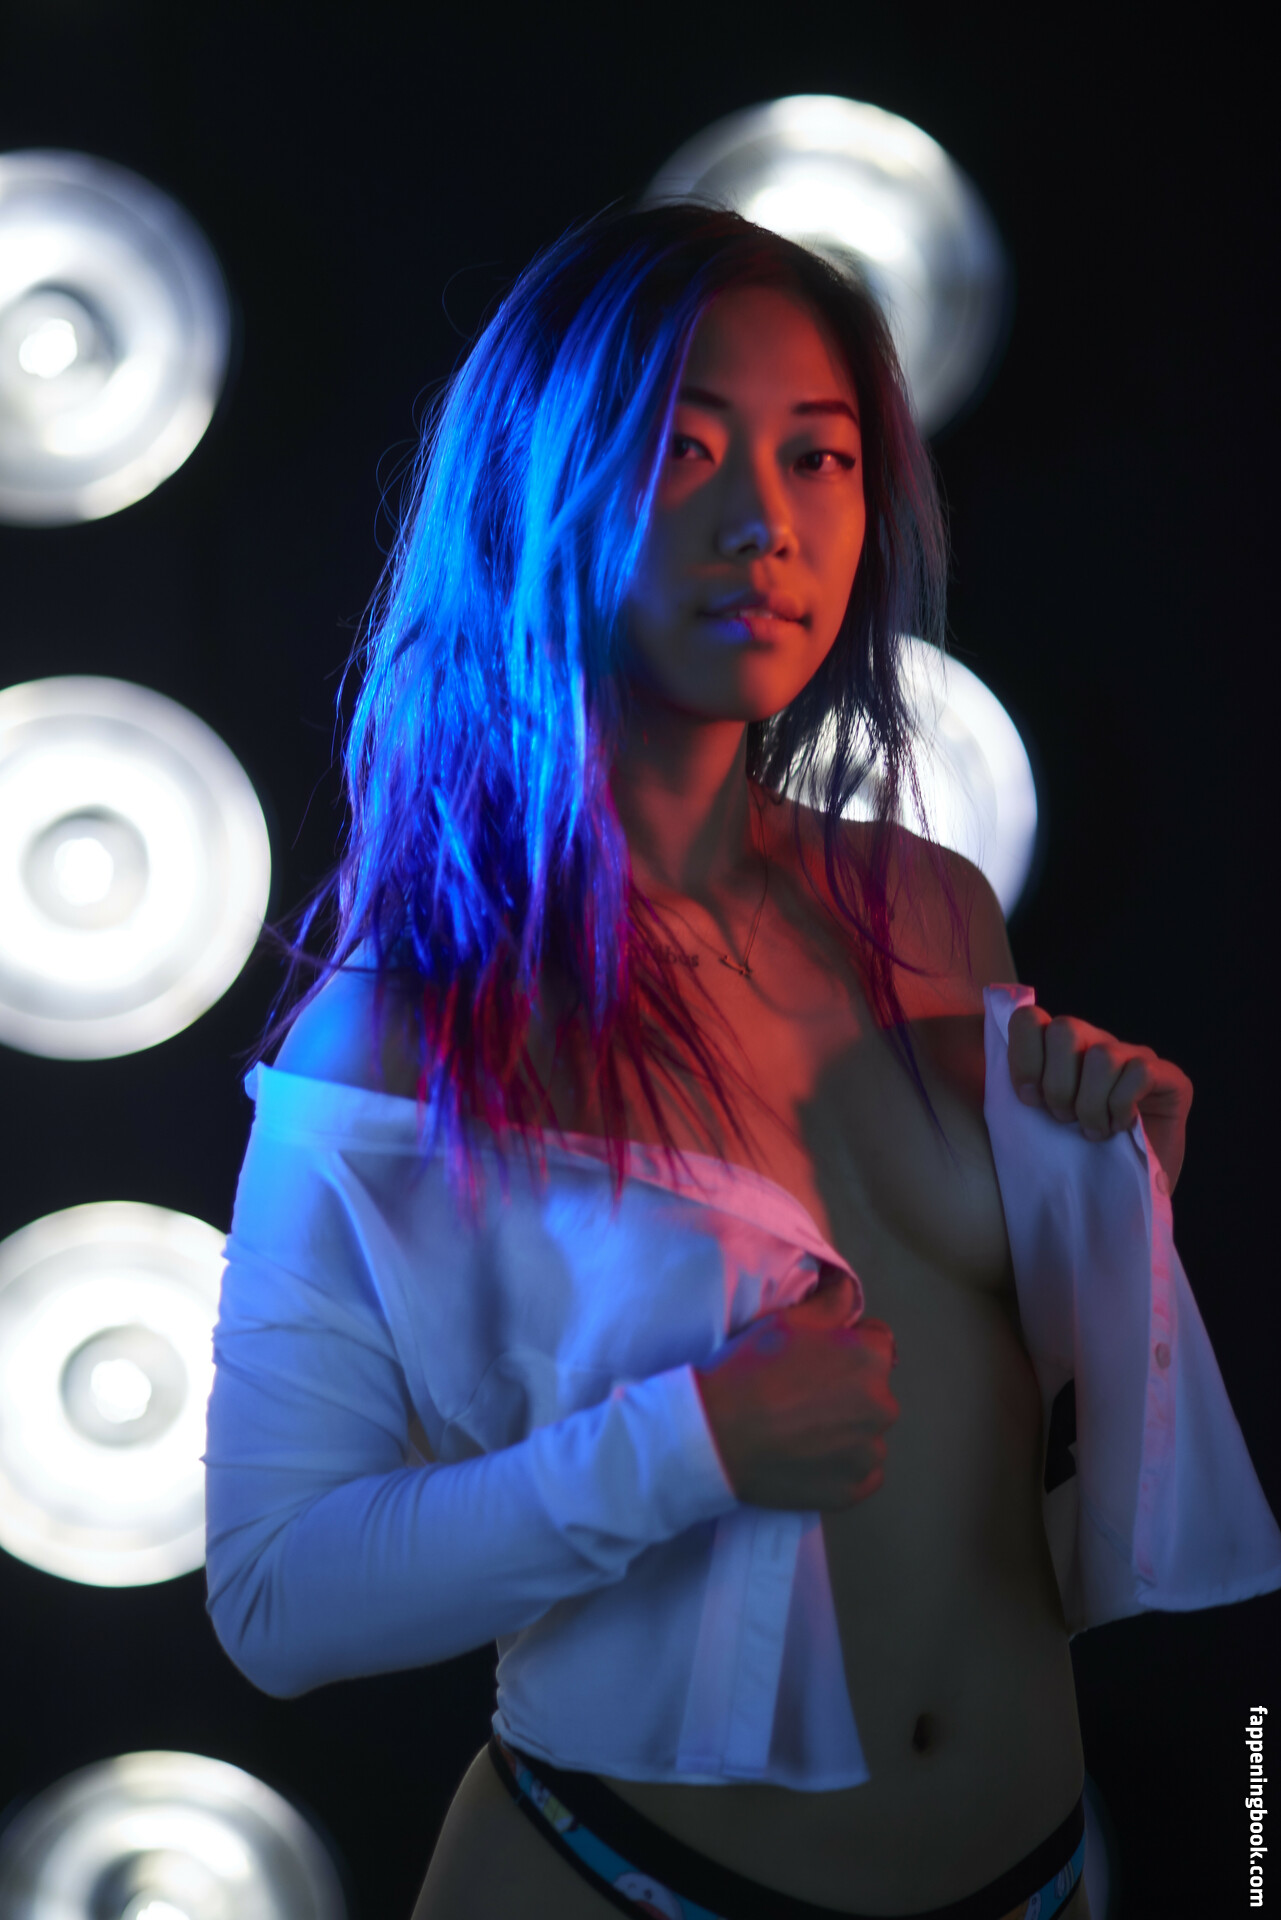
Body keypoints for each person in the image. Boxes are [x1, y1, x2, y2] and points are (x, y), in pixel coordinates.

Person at [204, 203, 1281, 1920]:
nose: (764, 521)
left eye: (817, 456)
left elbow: (988, 1433)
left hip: (1040, 1869)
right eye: (683, 448)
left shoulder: (924, 904)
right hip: (627, 1881)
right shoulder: (409, 1022)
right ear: (536, 488)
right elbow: (273, 1599)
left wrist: (1114, 1203)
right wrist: (688, 1442)